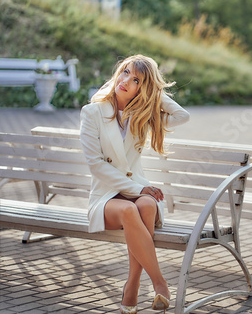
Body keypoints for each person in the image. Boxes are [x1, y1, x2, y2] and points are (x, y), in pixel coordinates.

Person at [79, 54, 190, 313]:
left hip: (134, 190)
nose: (126, 80)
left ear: (144, 89)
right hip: (106, 196)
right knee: (131, 209)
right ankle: (158, 284)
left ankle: (132, 285)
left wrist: (151, 95)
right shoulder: (92, 112)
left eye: (136, 79)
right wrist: (139, 189)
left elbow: (181, 115)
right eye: (125, 72)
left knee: (148, 205)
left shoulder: (141, 116)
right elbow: (96, 165)